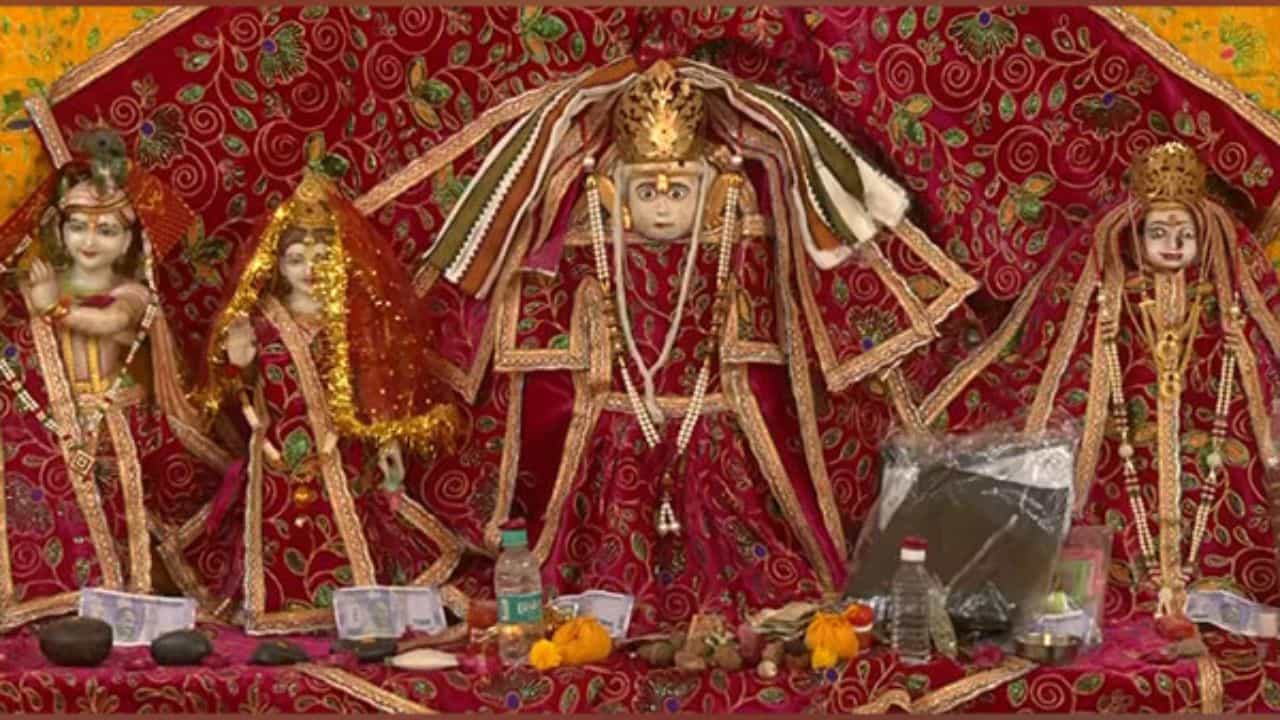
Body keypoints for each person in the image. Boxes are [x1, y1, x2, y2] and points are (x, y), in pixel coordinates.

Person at [410, 59, 976, 632]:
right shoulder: (591, 248)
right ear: (613, 196)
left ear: (713, 194)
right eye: (647, 191)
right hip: (614, 438)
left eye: (678, 190)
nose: (662, 207)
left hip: (719, 437)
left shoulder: (736, 242)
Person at [177, 170, 463, 634]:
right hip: (278, 455)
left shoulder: (354, 319)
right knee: (281, 529)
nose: (309, 269)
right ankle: (276, 606)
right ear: (275, 264)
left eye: (322, 256)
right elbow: (236, 388)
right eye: (295, 259)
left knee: (355, 530)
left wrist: (387, 441)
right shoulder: (261, 318)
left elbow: (375, 386)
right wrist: (239, 360)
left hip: (343, 454)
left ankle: (354, 606)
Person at [0, 128, 228, 630]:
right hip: (61, 427)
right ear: (58, 229)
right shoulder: (44, 285)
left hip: (120, 421)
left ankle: (131, 593)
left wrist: (52, 307)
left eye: (106, 231)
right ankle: (66, 596)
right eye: (78, 227)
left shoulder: (132, 294)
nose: (90, 242)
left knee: (127, 513)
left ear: (129, 241)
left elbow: (106, 323)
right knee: (62, 508)